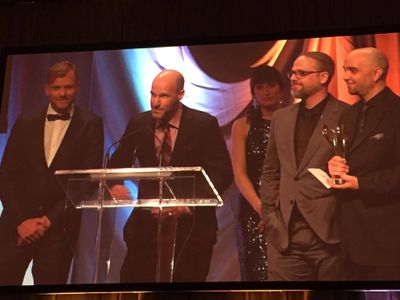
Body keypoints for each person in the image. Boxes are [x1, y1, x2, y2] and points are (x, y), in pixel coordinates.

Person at [109, 69, 233, 282]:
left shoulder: (203, 124)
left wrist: (187, 204)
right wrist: (115, 184)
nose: (155, 102)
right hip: (145, 230)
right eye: (152, 94)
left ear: (180, 94)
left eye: (163, 96)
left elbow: (222, 173)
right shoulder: (139, 123)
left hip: (191, 232)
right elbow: (117, 162)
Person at [0, 61, 104, 285]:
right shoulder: (25, 121)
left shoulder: (91, 124)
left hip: (59, 229)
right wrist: (21, 221)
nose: (62, 93)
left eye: (68, 87)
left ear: (77, 87)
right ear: (47, 89)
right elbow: (6, 175)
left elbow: (86, 181)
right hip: (16, 225)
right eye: (57, 88)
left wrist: (48, 221)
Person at [260, 52, 349, 280]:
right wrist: (270, 214)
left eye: (302, 73)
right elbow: (271, 170)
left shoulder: (347, 115)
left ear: (323, 77)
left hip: (329, 235)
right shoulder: (281, 117)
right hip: (285, 235)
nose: (293, 78)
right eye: (293, 73)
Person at [328, 47, 400, 280]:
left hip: (387, 237)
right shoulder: (349, 114)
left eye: (353, 70)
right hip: (349, 237)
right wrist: (335, 165)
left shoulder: (396, 111)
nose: (346, 76)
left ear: (376, 73)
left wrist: (361, 183)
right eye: (345, 69)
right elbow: (350, 159)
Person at [231, 65, 286, 281]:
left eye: (271, 85)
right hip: (253, 207)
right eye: (260, 87)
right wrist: (262, 209)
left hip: (289, 206)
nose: (266, 92)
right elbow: (239, 173)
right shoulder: (242, 125)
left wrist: (277, 208)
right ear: (254, 92)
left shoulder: (293, 121)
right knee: (257, 271)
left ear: (282, 89)